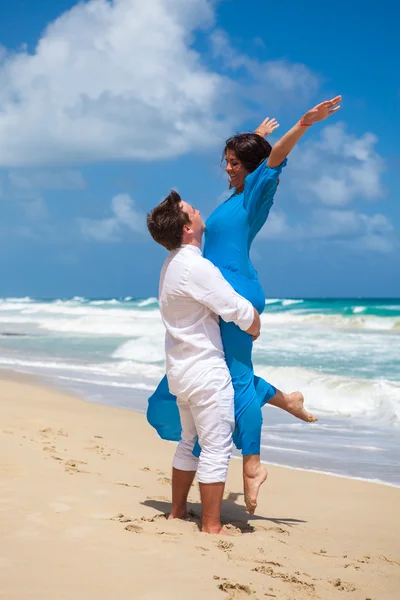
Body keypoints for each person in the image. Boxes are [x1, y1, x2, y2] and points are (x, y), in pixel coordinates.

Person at [148, 96, 341, 514]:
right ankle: (285, 400)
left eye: (235, 162)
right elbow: (252, 164)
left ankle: (252, 464)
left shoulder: (256, 191)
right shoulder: (234, 195)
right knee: (231, 374)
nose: (228, 167)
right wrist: (254, 137)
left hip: (234, 295)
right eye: (227, 161)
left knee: (234, 381)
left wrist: (302, 124)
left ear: (251, 167)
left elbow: (272, 162)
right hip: (218, 294)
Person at [147, 193, 261, 534]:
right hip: (204, 370)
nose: (198, 210)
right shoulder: (195, 266)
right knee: (215, 446)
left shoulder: (172, 262)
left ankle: (178, 512)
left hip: (181, 369)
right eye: (191, 210)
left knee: (189, 440)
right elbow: (234, 307)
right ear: (186, 228)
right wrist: (254, 324)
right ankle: (212, 525)